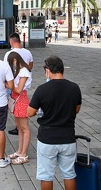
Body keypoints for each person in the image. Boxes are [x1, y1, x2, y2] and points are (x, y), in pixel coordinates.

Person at [27, 55, 81, 190]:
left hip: (47, 137)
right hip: (68, 137)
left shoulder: (42, 89)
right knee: (69, 173)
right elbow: (77, 109)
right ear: (63, 70)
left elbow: (29, 112)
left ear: (48, 70)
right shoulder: (74, 88)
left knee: (46, 175)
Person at [4, 32, 34, 136]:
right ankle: (19, 127)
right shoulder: (28, 52)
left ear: (11, 42)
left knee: (13, 104)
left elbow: (5, 69)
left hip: (14, 84)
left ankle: (19, 126)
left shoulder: (9, 54)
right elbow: (31, 65)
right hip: (23, 85)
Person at [6, 52, 32, 165]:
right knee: (19, 128)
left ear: (16, 60)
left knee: (24, 128)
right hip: (16, 99)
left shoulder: (24, 71)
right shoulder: (20, 70)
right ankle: (20, 151)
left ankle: (24, 154)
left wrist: (6, 84)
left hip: (21, 99)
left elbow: (18, 89)